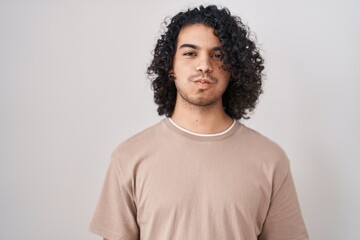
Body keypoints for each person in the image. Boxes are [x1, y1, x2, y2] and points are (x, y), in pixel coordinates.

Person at [89, 5, 309, 240]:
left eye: (217, 55)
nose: (204, 66)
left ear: (233, 68)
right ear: (170, 66)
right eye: (190, 53)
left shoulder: (271, 160)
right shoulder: (129, 158)